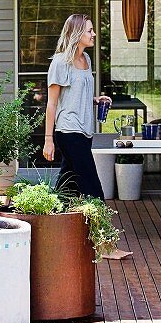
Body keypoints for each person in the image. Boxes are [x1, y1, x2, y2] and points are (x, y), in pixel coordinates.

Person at [42, 14, 111, 199]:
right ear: (77, 33)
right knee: (92, 188)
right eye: (90, 30)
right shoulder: (60, 62)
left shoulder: (86, 59)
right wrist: (49, 140)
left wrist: (95, 100)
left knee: (68, 186)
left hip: (85, 131)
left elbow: (76, 92)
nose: (94, 34)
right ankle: (100, 225)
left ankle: (53, 219)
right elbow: (52, 103)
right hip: (69, 131)